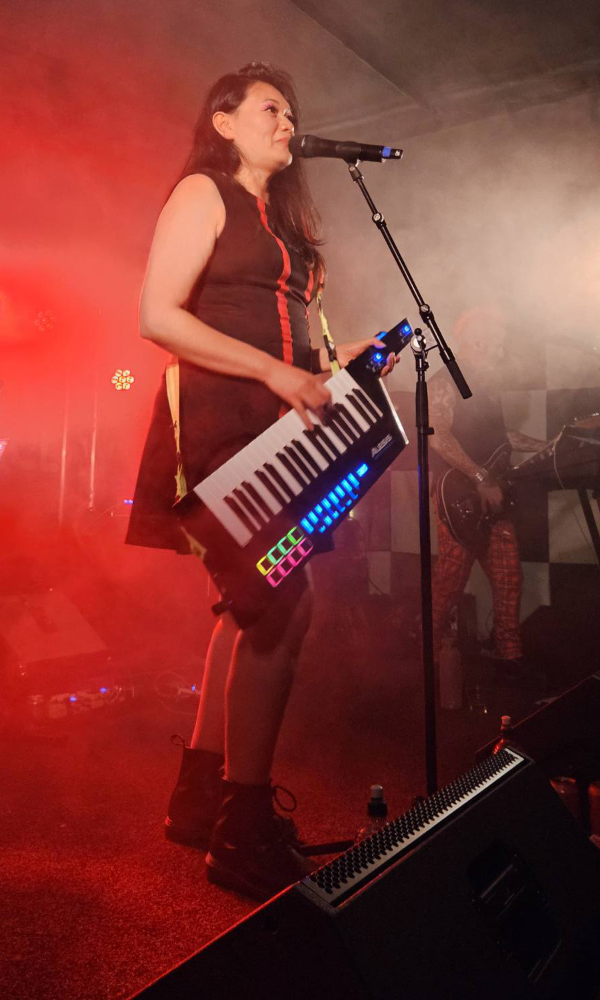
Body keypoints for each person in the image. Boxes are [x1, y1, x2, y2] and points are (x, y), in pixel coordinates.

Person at [126, 62, 398, 900]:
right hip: (216, 431)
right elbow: (157, 315)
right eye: (271, 108)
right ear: (224, 122)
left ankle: (199, 797)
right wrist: (276, 374)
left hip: (277, 439)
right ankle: (241, 830)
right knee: (283, 606)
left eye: (291, 110)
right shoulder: (201, 193)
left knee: (251, 605)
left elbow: (292, 345)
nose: (287, 122)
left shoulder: (284, 228)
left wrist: (339, 364)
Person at [429, 308, 546, 682]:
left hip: (492, 497)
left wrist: (548, 447)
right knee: (450, 581)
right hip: (459, 497)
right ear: (476, 342)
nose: (501, 352)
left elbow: (501, 437)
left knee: (509, 575)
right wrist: (480, 478)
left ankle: (509, 655)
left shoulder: (487, 385)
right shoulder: (444, 380)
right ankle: (426, 650)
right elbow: (437, 435)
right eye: (497, 345)